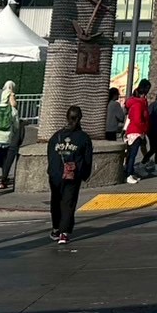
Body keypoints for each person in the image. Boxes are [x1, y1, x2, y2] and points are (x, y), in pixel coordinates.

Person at [47, 104, 93, 244]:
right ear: (80, 118)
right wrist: (84, 174)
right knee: (69, 202)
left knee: (56, 201)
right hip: (73, 174)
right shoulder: (83, 138)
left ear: (67, 117)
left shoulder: (56, 136)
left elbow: (50, 155)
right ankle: (64, 232)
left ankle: (56, 228)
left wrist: (52, 171)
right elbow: (87, 159)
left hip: (56, 173)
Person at [123, 78, 151, 183]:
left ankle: (130, 172)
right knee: (132, 154)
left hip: (134, 131)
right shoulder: (138, 104)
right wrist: (143, 129)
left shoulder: (136, 103)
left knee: (131, 154)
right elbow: (137, 120)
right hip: (136, 131)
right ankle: (128, 174)